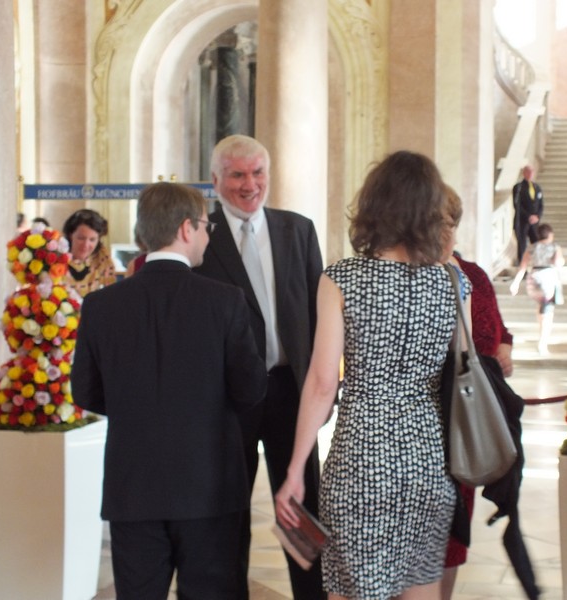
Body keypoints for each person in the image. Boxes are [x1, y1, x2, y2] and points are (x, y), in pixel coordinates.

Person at [275, 151, 463, 600]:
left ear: (375, 206)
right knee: (422, 588)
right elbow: (462, 376)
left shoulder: (342, 278)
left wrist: (296, 467)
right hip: (427, 459)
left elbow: (323, 383)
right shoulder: (454, 282)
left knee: (351, 589)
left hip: (361, 459)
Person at [71, 182, 268, 598]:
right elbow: (251, 388)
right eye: (205, 226)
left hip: (133, 487)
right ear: (185, 228)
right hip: (209, 486)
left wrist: (134, 404)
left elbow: (86, 392)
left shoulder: (102, 306)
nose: (208, 235)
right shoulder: (226, 301)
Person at [193, 134, 324, 600]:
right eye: (237, 175)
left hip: (291, 392)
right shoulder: (198, 235)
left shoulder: (298, 229)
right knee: (227, 513)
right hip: (226, 400)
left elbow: (317, 313)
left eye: (258, 173)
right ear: (215, 181)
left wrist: (324, 387)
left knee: (302, 505)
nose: (250, 185)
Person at [440, 185, 517, 600]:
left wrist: (504, 347)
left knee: (453, 538)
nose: (446, 230)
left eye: (450, 222)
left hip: (466, 422)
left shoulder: (473, 274)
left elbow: (499, 331)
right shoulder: (410, 276)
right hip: (428, 421)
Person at [509, 223, 564, 355]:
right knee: (547, 311)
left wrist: (515, 283)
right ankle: (543, 341)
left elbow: (523, 266)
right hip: (548, 279)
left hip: (534, 278)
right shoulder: (555, 247)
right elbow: (558, 263)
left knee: (542, 307)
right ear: (550, 234)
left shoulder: (532, 247)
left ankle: (542, 333)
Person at [62, 208, 117, 296]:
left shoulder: (103, 260)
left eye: (92, 240)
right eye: (81, 238)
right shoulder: (56, 256)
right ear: (70, 235)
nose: (86, 245)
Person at [512, 164, 544, 265]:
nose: (530, 174)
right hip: (522, 221)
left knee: (537, 243)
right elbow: (517, 204)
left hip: (534, 222)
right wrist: (528, 216)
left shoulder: (537, 187)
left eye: (532, 172)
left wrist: (537, 216)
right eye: (528, 171)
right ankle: (522, 266)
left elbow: (541, 205)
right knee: (522, 245)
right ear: (524, 173)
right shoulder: (518, 187)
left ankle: (537, 263)